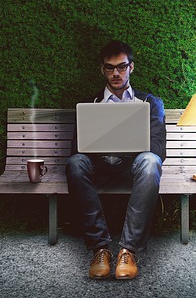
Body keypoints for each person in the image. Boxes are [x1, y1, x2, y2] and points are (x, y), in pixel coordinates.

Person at [65, 40, 166, 280]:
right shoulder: (90, 104)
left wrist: (129, 143)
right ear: (102, 70)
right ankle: (100, 249)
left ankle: (128, 251)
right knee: (75, 163)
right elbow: (76, 147)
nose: (116, 73)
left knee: (151, 162)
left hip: (133, 168)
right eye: (110, 68)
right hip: (99, 166)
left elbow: (159, 148)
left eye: (121, 67)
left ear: (132, 67)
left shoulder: (150, 103)